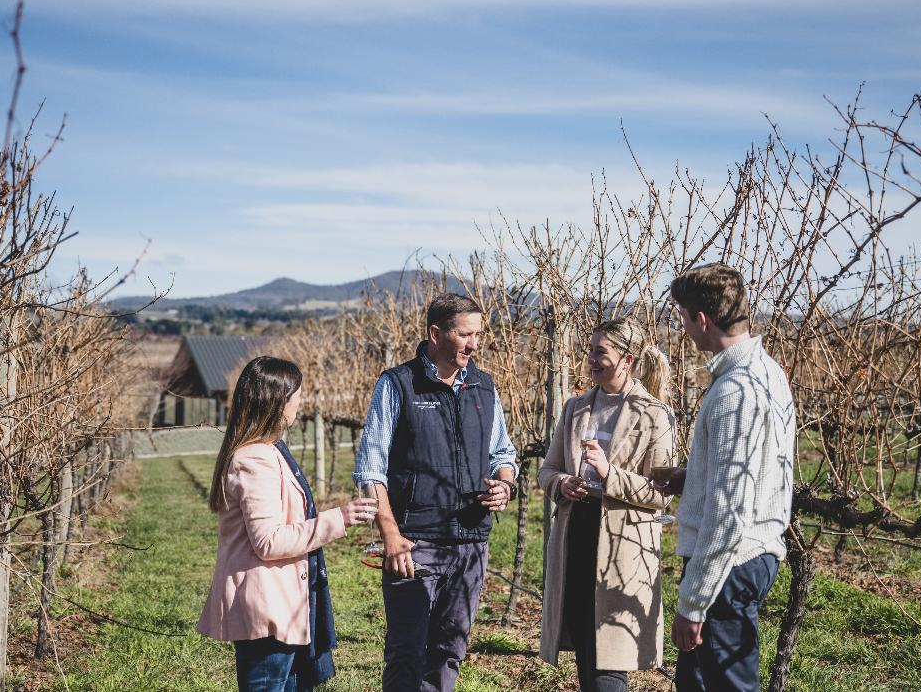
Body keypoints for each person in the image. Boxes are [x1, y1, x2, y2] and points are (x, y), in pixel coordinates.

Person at [352, 293, 518, 692]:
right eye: (465, 335)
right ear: (436, 333)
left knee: (449, 649)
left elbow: (503, 451)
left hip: (470, 543)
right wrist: (391, 536)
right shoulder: (397, 385)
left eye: (478, 335)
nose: (474, 344)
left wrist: (506, 482)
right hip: (414, 543)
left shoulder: (483, 386)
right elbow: (370, 470)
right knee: (407, 650)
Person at [198, 356, 377, 692]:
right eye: (296, 395)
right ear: (277, 401)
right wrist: (341, 517)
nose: (300, 402)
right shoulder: (254, 458)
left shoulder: (269, 450)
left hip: (280, 602)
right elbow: (269, 541)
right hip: (267, 609)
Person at [662, 264, 796, 692]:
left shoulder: (734, 392)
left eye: (682, 317)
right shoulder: (770, 374)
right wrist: (694, 477)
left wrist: (693, 603)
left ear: (701, 319)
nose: (683, 329)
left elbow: (730, 512)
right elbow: (751, 474)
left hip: (729, 565)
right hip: (750, 555)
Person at [537, 317, 676, 692]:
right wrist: (562, 482)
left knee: (609, 660)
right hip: (576, 535)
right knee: (585, 647)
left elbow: (661, 492)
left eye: (601, 352)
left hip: (621, 547)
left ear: (627, 359)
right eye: (591, 350)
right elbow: (546, 470)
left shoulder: (653, 414)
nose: (592, 359)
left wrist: (609, 473)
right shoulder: (576, 408)